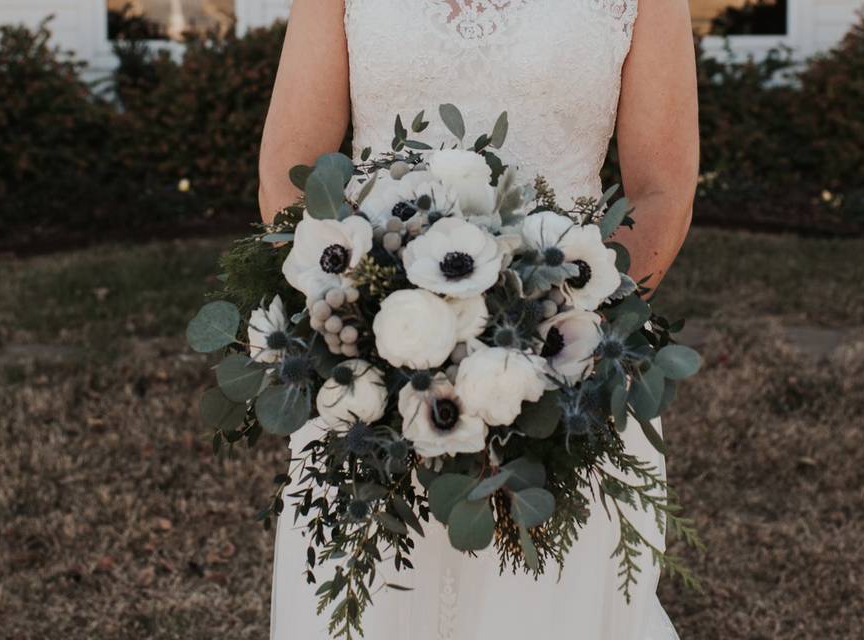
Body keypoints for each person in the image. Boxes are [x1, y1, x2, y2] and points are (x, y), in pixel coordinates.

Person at [259, 2, 698, 638]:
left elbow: (661, 190)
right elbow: (288, 173)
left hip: (564, 364)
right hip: (371, 362)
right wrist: (363, 313)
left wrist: (563, 329)